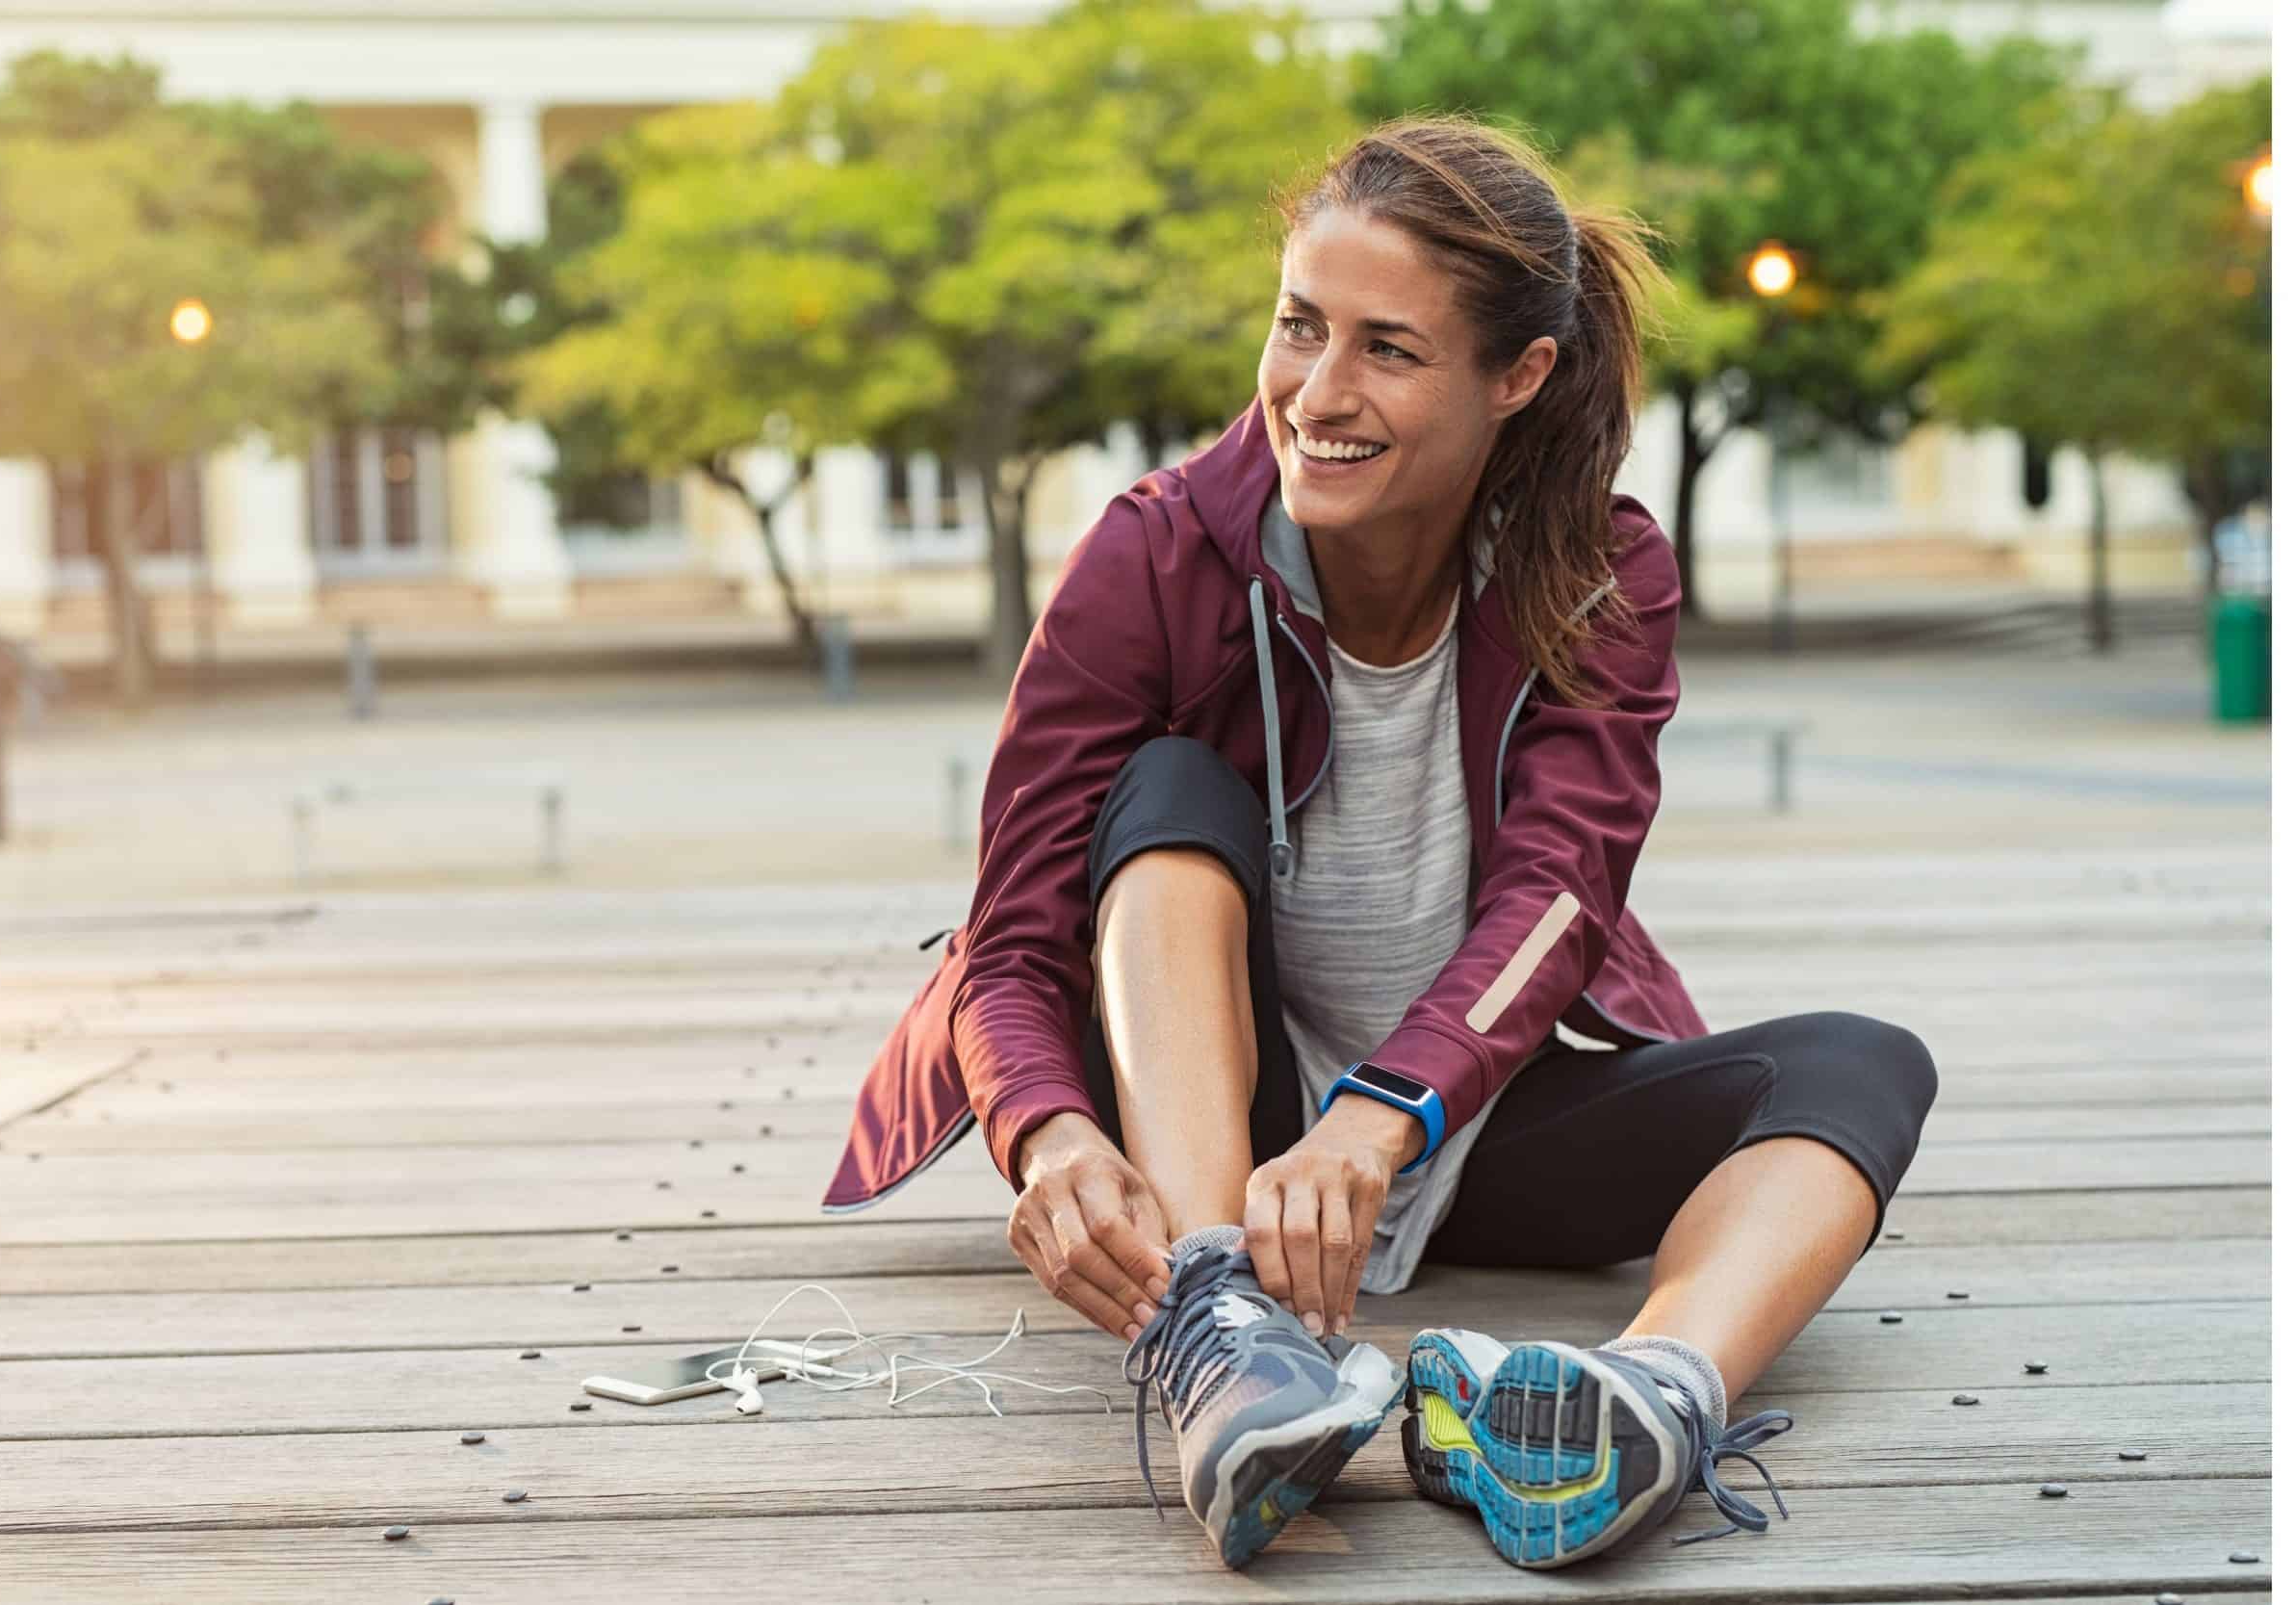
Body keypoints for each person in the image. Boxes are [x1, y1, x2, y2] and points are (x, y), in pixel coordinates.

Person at [822, 114, 1938, 1572]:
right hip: (1219, 1138)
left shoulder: (1599, 573)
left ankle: (1652, 1401)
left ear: (1516, 376)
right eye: (1300, 326)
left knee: (1860, 1065)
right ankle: (1222, 1333)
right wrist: (1051, 1131)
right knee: (1168, 791)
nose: (1318, 391)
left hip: (1454, 1120)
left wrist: (1384, 1113)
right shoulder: (1153, 555)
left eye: (1389, 349)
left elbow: (1561, 896)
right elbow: (1012, 935)